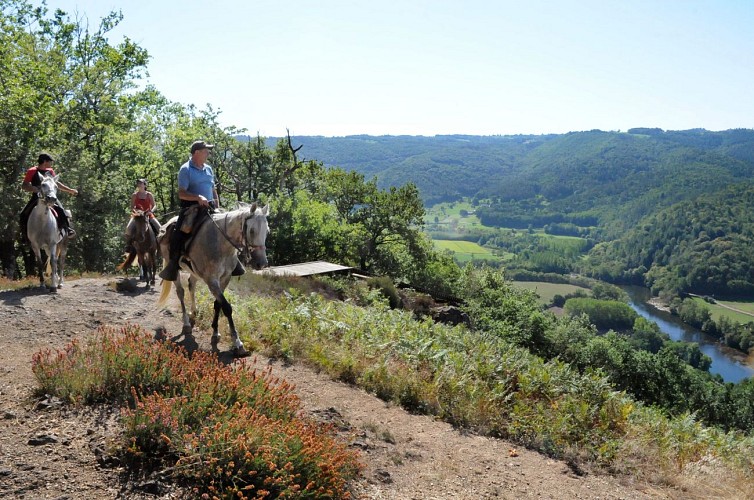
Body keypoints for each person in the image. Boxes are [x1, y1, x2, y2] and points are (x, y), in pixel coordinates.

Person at [159, 140, 245, 281]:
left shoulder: (208, 169)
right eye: (205, 151)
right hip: (191, 209)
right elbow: (181, 193)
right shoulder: (186, 169)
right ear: (196, 152)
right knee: (178, 233)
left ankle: (233, 262)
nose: (208, 154)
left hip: (211, 208)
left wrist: (216, 201)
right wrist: (198, 197)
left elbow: (212, 188)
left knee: (227, 229)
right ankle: (174, 264)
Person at [20, 152, 78, 241]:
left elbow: (57, 183)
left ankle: (67, 229)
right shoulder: (32, 171)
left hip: (51, 196)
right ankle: (25, 235)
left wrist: (70, 190)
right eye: (50, 161)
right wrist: (34, 188)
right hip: (37, 197)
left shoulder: (50, 171)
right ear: (44, 161)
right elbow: (24, 185)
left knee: (62, 211)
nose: (51, 164)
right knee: (23, 214)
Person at [125, 178, 160, 252]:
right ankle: (129, 245)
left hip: (148, 215)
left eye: (141, 183)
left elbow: (154, 205)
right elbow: (132, 207)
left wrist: (151, 211)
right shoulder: (134, 195)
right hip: (137, 217)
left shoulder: (149, 194)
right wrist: (136, 211)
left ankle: (160, 245)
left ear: (144, 185)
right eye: (138, 183)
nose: (139, 185)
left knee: (160, 229)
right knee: (128, 229)